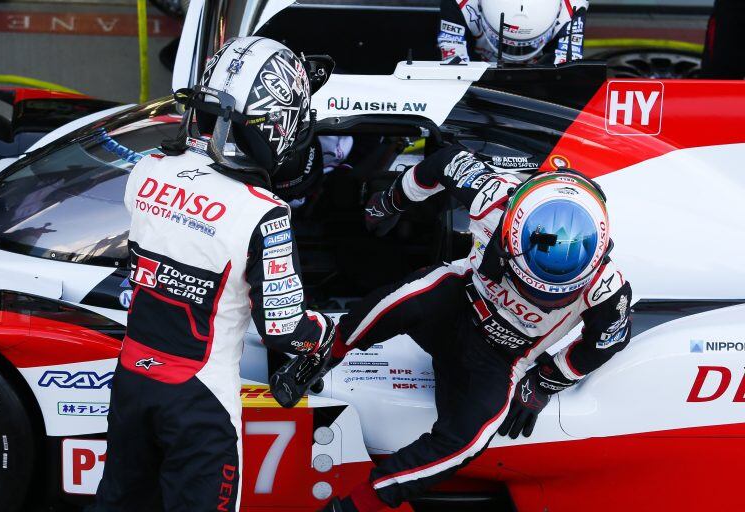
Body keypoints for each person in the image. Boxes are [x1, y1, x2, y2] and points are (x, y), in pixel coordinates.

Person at [90, 36, 337, 512]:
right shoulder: (265, 214)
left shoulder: (149, 169)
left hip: (133, 378)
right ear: (275, 126)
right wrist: (323, 331)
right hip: (200, 403)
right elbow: (284, 330)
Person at [319, 146, 632, 511]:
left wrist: (546, 380)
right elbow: (442, 161)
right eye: (529, 283)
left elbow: (608, 340)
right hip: (456, 303)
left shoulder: (607, 288)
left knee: (472, 439)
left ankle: (365, 502)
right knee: (402, 298)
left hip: (501, 357)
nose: (533, 296)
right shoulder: (492, 196)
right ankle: (326, 348)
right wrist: (391, 201)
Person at [439, 0, 589, 65]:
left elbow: (567, 72)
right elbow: (454, 67)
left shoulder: (571, 10)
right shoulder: (461, 5)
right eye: (504, 43)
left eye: (527, 45)